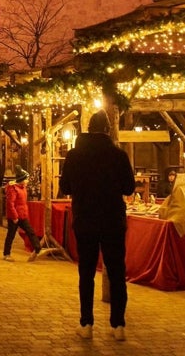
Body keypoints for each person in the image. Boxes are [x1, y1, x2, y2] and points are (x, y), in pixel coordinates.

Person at [59, 111, 136, 342]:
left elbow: (65, 186)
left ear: (88, 128)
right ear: (108, 130)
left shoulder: (74, 155)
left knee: (86, 273)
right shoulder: (118, 155)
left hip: (86, 220)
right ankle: (118, 324)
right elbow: (129, 188)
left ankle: (87, 323)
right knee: (116, 272)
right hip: (112, 220)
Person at [2, 167, 43, 262]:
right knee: (11, 235)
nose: (27, 181)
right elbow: (10, 203)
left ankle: (37, 248)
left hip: (22, 214)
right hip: (15, 216)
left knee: (30, 231)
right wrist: (14, 216)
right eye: (26, 179)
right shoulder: (13, 189)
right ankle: (6, 253)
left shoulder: (22, 187)